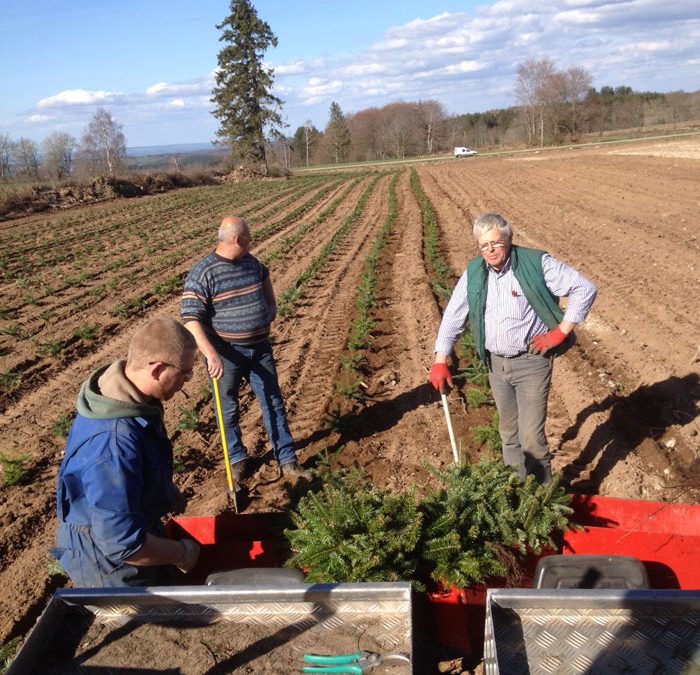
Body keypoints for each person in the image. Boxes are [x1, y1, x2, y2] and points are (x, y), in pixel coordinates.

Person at [430, 213, 597, 483]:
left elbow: (584, 288)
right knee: (508, 434)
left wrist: (560, 332)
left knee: (530, 437)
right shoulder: (474, 272)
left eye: (496, 243)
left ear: (508, 240)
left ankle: (540, 501)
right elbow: (453, 316)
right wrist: (440, 359)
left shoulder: (535, 264)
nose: (491, 250)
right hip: (495, 365)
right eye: (484, 245)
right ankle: (516, 495)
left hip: (531, 362)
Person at [53, 317, 201, 587]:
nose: (186, 381)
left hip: (128, 524)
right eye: (185, 373)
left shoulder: (123, 397)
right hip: (109, 564)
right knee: (145, 625)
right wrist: (182, 554)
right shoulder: (115, 443)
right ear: (156, 370)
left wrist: (163, 489)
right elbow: (123, 544)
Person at [180, 215, 304, 481]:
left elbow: (265, 277)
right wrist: (211, 353)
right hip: (225, 354)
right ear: (238, 239)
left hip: (259, 347)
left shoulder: (251, 263)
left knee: (272, 401)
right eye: (249, 237)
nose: (252, 241)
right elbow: (191, 319)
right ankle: (236, 459)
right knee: (228, 409)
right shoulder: (203, 273)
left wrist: (271, 308)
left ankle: (287, 459)